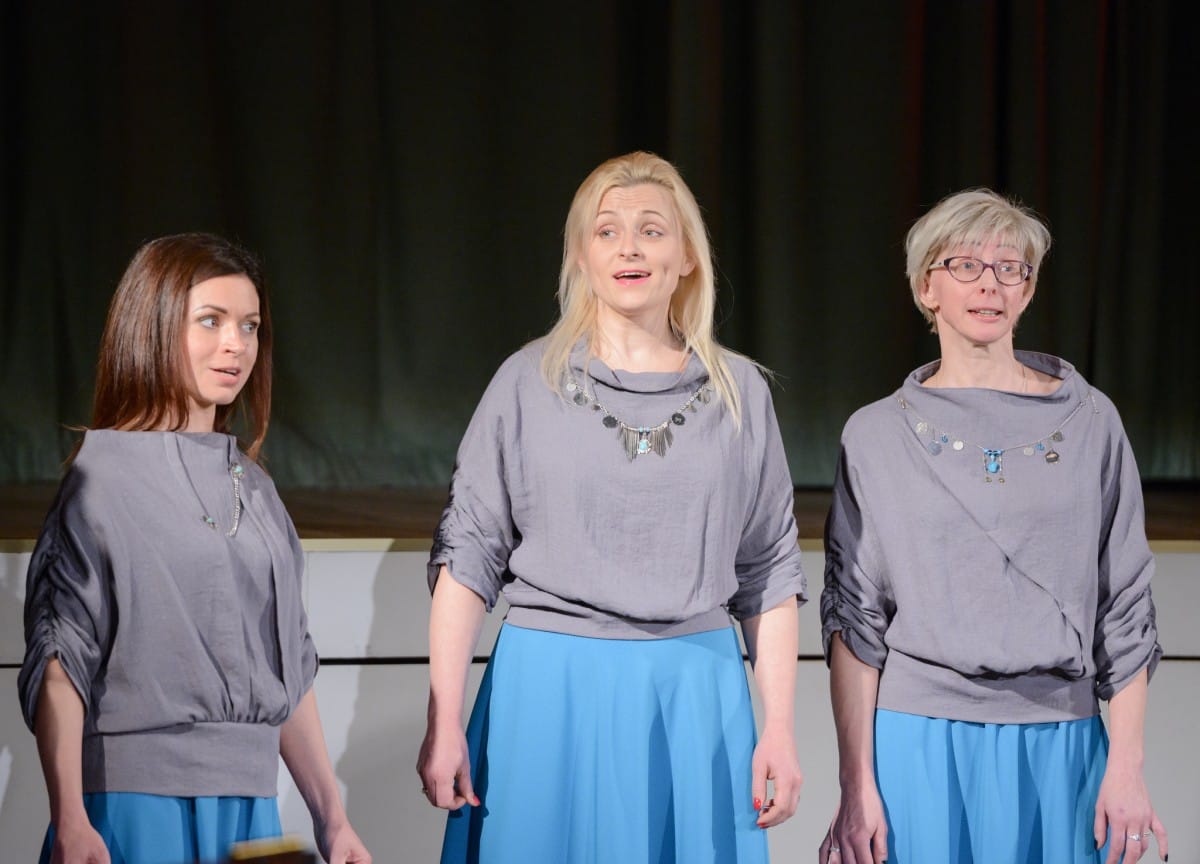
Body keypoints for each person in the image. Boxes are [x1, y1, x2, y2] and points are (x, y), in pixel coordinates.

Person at [416, 151, 806, 863]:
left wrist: (779, 726)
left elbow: (769, 570)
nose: (629, 248)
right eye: (607, 231)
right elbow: (467, 557)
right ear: (580, 255)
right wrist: (443, 718)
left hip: (694, 693)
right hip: (548, 691)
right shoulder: (525, 383)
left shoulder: (740, 393)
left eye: (652, 230)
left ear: (687, 256)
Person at [819, 189, 1167, 864]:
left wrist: (1126, 768)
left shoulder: (1091, 420)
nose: (990, 283)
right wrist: (855, 784)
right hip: (918, 742)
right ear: (926, 287)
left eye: (1010, 267)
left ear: (1028, 290)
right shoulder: (875, 433)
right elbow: (855, 618)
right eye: (965, 265)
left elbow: (1126, 604)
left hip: (1062, 740)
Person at [18, 233, 371, 864]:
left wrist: (333, 819)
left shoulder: (257, 490)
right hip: (134, 806)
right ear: (154, 328)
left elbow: (289, 670)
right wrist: (69, 816)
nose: (236, 344)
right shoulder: (102, 480)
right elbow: (60, 660)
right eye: (211, 320)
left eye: (250, 326)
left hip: (250, 809)